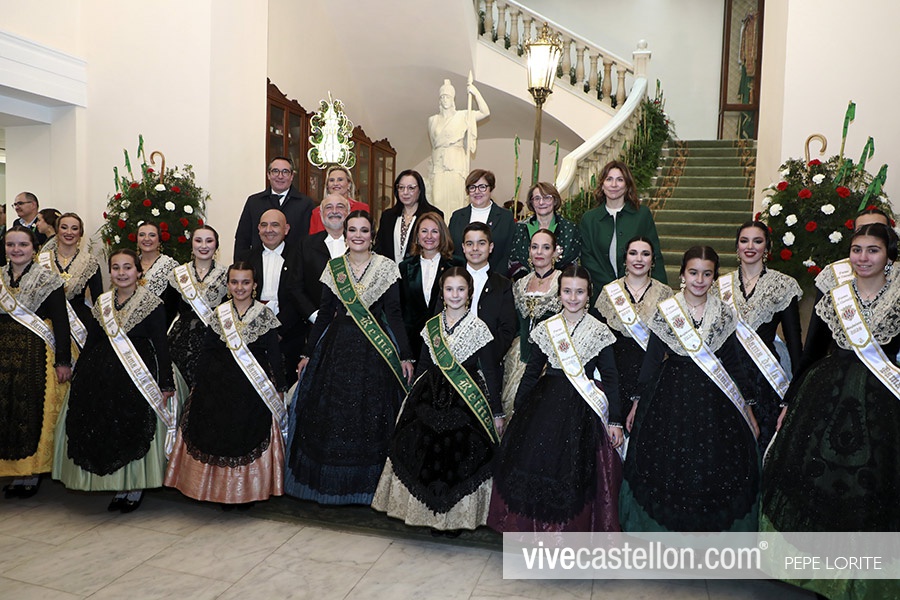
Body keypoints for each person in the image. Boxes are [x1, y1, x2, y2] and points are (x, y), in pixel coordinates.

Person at [762, 223, 900, 600]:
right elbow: (810, 353)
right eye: (857, 250)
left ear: (888, 256)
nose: (863, 258)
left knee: (873, 490)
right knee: (816, 485)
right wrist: (789, 402)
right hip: (826, 399)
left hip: (883, 406)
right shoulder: (835, 297)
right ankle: (818, 572)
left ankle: (863, 577)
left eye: (873, 250)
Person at [619, 246, 760, 532]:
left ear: (714, 278)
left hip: (714, 399)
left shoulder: (723, 313)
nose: (699, 280)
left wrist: (747, 405)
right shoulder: (667, 310)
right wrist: (636, 400)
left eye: (707, 274)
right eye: (693, 272)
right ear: (682, 274)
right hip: (670, 395)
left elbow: (732, 360)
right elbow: (652, 358)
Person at [284, 210, 414, 505]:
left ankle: (368, 488)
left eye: (364, 230)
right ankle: (330, 485)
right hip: (337, 348)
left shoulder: (386, 267)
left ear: (372, 236)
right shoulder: (335, 268)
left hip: (374, 351)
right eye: (352, 230)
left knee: (372, 412)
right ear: (345, 235)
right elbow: (325, 313)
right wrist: (307, 352)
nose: (358, 235)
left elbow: (394, 314)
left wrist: (405, 355)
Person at [489, 265, 623, 532]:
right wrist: (519, 409)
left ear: (589, 294)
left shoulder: (599, 330)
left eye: (579, 292)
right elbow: (531, 372)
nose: (573, 298)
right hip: (546, 403)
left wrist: (616, 420)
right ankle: (535, 530)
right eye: (567, 291)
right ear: (559, 293)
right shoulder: (547, 327)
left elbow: (611, 377)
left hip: (583, 409)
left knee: (576, 472)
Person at [372, 268, 502, 534]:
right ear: (442, 293)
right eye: (449, 289)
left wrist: (496, 412)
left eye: (461, 289)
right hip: (429, 394)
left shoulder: (479, 328)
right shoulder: (431, 326)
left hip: (465, 399)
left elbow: (490, 371)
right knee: (424, 454)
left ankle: (454, 519)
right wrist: (412, 398)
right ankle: (430, 515)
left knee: (459, 457)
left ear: (469, 293)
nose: (455, 295)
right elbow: (423, 364)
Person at [53, 249, 176, 513]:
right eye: (116, 268)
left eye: (127, 267)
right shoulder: (103, 303)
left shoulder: (152, 304)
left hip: (138, 372)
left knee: (132, 424)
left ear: (138, 272)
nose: (122, 273)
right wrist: (80, 371)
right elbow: (93, 340)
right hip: (101, 372)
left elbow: (161, 344)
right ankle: (118, 483)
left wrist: (166, 382)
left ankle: (134, 486)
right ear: (110, 272)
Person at [165, 261, 287, 506]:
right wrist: (200, 383)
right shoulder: (219, 313)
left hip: (252, 387)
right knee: (215, 434)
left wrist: (280, 386)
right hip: (217, 384)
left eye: (245, 282)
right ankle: (220, 492)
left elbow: (274, 354)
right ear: (228, 285)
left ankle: (246, 493)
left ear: (254, 285)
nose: (239, 287)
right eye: (234, 282)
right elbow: (208, 350)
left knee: (247, 433)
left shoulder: (264, 315)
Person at [716, 221, 802, 449]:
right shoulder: (720, 285)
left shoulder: (783, 285)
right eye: (744, 241)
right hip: (729, 372)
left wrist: (797, 387)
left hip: (766, 375)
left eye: (757, 241)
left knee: (764, 440)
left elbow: (794, 340)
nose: (750, 246)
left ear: (767, 247)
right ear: (737, 246)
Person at [0, 226, 71, 498]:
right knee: (7, 411)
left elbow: (61, 323)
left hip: (35, 355)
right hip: (4, 356)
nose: (16, 250)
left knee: (30, 411)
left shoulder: (48, 280)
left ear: (34, 248)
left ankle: (30, 474)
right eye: (11, 244)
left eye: (23, 244)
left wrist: (63, 360)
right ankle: (12, 470)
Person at [594, 236, 673, 421]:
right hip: (615, 373)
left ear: (653, 260)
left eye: (645, 254)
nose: (639, 259)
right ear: (625, 259)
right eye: (633, 253)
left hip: (651, 372)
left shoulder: (665, 294)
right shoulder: (609, 292)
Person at [579, 161, 667, 301]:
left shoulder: (642, 215)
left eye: (620, 180)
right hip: (600, 294)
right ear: (602, 184)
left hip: (638, 294)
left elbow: (654, 253)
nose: (614, 185)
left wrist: (662, 293)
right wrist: (614, 289)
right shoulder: (589, 219)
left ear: (627, 185)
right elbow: (587, 258)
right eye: (609, 179)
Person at [500, 228, 562, 417]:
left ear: (554, 252)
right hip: (519, 355)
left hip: (551, 358)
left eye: (545, 247)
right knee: (512, 405)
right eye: (535, 247)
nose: (539, 252)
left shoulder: (563, 282)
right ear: (529, 251)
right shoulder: (520, 284)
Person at [249, 209, 313, 385]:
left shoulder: (299, 257)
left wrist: (278, 330)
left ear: (286, 229)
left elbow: (300, 296)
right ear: (258, 229)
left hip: (290, 336)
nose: (269, 230)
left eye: (275, 225)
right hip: (253, 335)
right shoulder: (247, 258)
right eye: (264, 225)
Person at [167, 225, 228, 388]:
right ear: (192, 244)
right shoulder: (177, 274)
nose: (203, 246)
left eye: (209, 241)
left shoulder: (226, 275)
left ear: (216, 245)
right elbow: (168, 312)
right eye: (198, 240)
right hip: (181, 343)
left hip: (214, 342)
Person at [36, 212, 103, 348]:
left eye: (74, 228)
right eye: (64, 227)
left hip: (79, 323)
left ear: (80, 233)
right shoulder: (41, 259)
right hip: (47, 322)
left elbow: (98, 301)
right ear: (57, 230)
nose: (69, 232)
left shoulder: (90, 262)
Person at [397, 212, 457, 360]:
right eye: (424, 231)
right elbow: (401, 309)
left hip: (447, 344)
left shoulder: (456, 266)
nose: (429, 236)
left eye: (434, 231)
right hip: (413, 344)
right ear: (417, 236)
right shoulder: (404, 267)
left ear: (442, 235)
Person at [428, 77, 490, 215]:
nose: (445, 99)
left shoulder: (463, 116)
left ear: (453, 99)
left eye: (448, 97)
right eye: (442, 97)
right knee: (437, 199)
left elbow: (485, 112)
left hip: (456, 161)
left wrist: (475, 92)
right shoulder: (433, 120)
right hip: (439, 164)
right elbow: (434, 144)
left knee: (456, 200)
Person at [234, 157, 314, 260]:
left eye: (285, 172)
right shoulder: (254, 202)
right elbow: (242, 239)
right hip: (258, 263)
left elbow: (309, 240)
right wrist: (239, 266)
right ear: (268, 175)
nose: (280, 176)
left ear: (292, 176)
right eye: (275, 171)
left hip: (293, 264)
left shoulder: (305, 203)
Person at [455, 222, 516, 359]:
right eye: (469, 244)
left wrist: (487, 356)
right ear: (463, 248)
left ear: (491, 247)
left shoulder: (503, 285)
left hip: (488, 360)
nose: (475, 248)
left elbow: (507, 329)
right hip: (453, 360)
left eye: (481, 243)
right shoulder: (450, 280)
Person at [507, 182, 582, 279]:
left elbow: (572, 262)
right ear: (531, 202)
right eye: (537, 198)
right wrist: (528, 281)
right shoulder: (519, 228)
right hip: (525, 283)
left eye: (547, 198)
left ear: (555, 200)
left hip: (559, 283)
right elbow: (513, 260)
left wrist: (553, 281)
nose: (541, 202)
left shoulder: (569, 229)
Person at [448, 169, 516, 274]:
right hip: (461, 277)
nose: (477, 191)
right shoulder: (457, 216)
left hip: (496, 277)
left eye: (482, 187)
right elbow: (450, 249)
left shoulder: (505, 217)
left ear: (491, 189)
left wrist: (496, 278)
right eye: (472, 187)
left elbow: (508, 252)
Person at [374, 169, 444, 263]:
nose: (405, 192)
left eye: (411, 188)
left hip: (420, 269)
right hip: (389, 270)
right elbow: (379, 248)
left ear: (420, 190)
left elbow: (440, 247)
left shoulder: (433, 215)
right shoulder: (388, 216)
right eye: (401, 187)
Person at [136, 221, 180, 322]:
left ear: (159, 240)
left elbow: (172, 306)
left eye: (152, 235)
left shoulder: (170, 267)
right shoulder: (129, 265)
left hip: (160, 324)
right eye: (142, 235)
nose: (146, 238)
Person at [308, 166, 370, 235]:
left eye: (340, 180)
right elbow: (313, 239)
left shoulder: (361, 208)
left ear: (349, 184)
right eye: (331, 180)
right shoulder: (317, 212)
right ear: (327, 186)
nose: (335, 183)